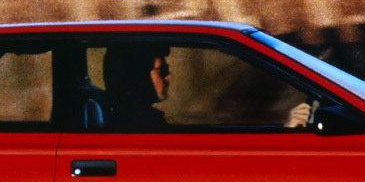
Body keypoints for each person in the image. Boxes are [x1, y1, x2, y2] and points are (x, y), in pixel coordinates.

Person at [102, 43, 314, 130]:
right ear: (137, 77)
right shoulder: (139, 129)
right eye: (161, 69)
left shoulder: (137, 122)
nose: (169, 75)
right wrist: (286, 131)